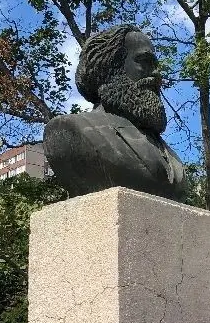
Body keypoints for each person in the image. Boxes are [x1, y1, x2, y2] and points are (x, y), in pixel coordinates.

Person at [42, 24, 188, 201]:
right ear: (110, 68)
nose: (157, 73)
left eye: (156, 65)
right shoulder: (67, 129)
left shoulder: (167, 151)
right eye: (144, 61)